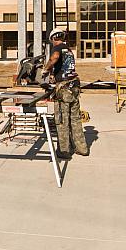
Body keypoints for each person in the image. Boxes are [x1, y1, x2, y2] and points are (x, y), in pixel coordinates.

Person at [42, 28, 88, 159]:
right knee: (75, 119)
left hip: (64, 89)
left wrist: (46, 69)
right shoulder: (68, 49)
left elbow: (54, 58)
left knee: (62, 120)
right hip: (74, 87)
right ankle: (82, 148)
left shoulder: (57, 48)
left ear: (53, 38)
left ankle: (64, 151)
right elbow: (65, 66)